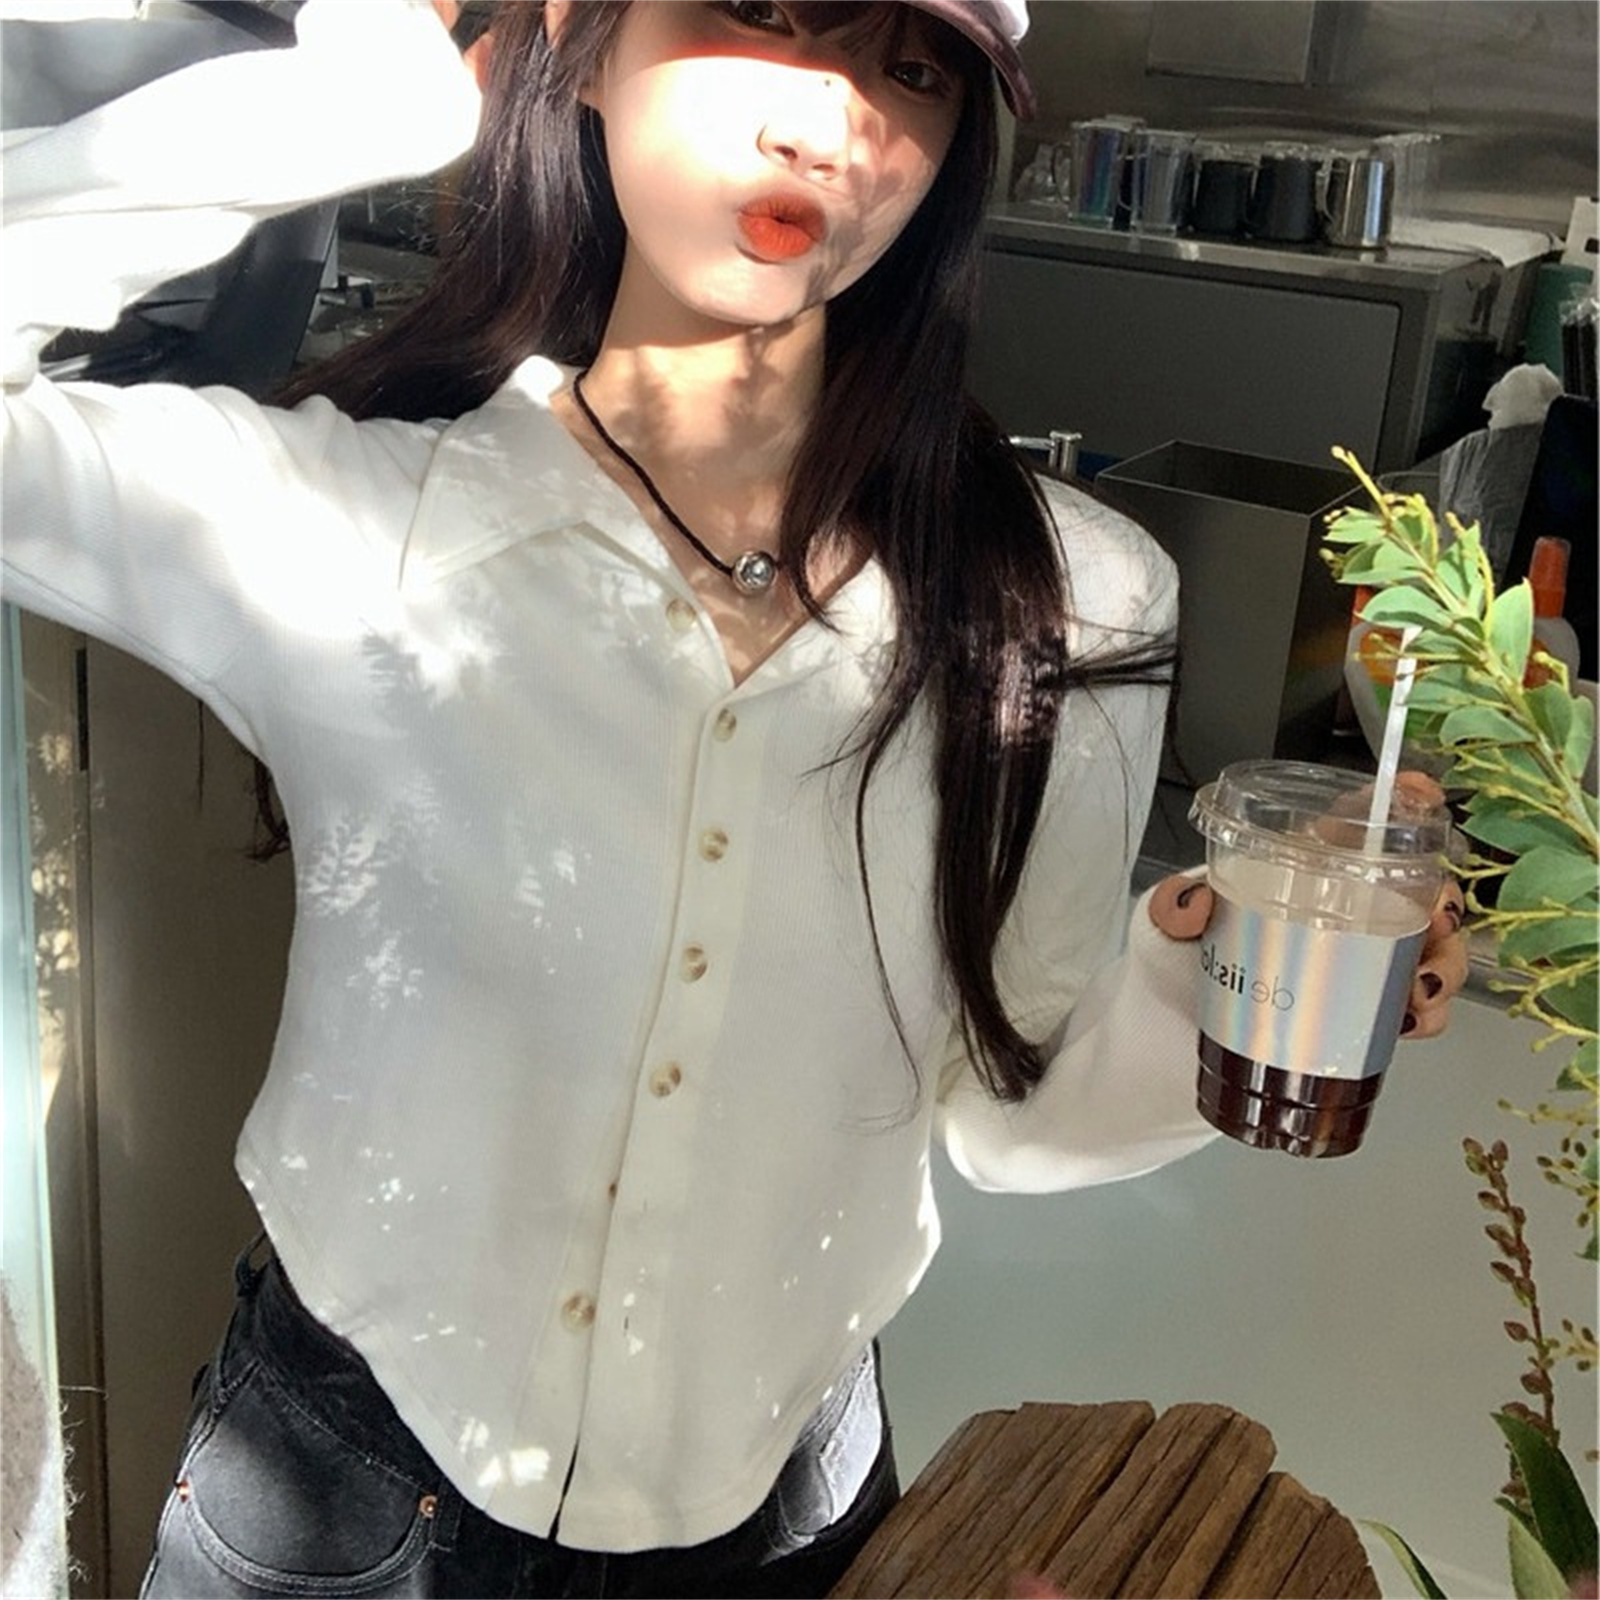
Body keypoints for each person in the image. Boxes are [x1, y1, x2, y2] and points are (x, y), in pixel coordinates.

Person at [0, 3, 1469, 1595]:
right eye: (758, 12)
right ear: (583, 39)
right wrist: (371, 97)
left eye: (909, 68)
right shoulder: (363, 522)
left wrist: (1229, 979)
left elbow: (1013, 1115)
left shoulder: (1068, 600)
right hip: (345, 1495)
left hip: (783, 1509)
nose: (827, 124)